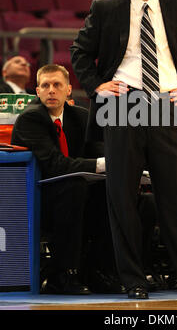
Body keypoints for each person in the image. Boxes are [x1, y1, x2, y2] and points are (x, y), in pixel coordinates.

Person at [70, 0, 177, 300]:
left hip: (170, 103)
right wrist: (96, 86)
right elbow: (80, 52)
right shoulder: (105, 7)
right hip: (122, 103)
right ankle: (133, 280)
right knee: (122, 197)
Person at [11, 64, 118, 295]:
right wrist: (101, 164)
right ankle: (61, 274)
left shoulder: (80, 116)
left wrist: (115, 164)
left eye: (57, 85)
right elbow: (55, 165)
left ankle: (98, 271)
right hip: (36, 198)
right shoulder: (30, 119)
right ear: (37, 91)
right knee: (74, 187)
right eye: (45, 85)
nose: (51, 90)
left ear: (68, 90)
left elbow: (101, 151)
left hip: (73, 192)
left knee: (110, 190)